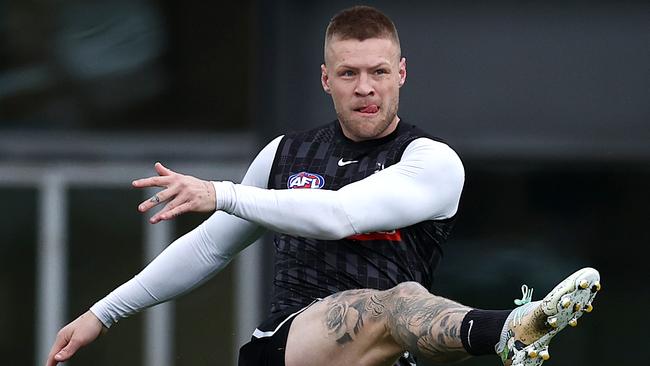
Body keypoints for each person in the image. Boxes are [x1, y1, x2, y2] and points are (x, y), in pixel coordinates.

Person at [45, 5, 601, 366]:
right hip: (290, 344)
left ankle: (511, 332)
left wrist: (223, 191)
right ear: (325, 79)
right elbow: (210, 246)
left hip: (387, 355)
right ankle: (509, 331)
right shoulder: (283, 155)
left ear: (401, 73)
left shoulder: (433, 162)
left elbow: (341, 213)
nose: (366, 88)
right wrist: (102, 313)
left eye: (379, 72)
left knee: (399, 305)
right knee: (397, 301)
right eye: (349, 74)